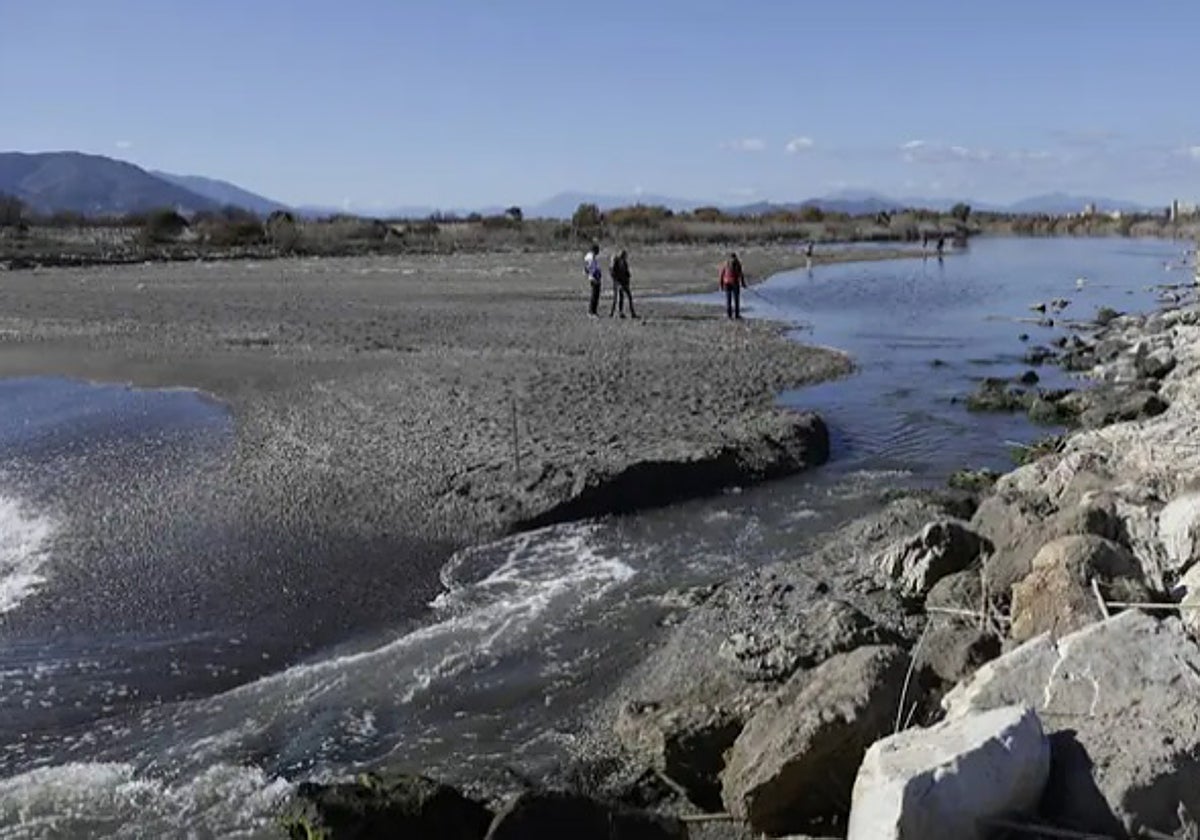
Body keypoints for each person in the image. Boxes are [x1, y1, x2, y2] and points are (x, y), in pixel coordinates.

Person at [609, 249, 638, 318]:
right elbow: (613, 273)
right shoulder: (615, 261)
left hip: (624, 282)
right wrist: (617, 281)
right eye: (624, 256)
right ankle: (615, 313)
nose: (625, 257)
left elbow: (626, 272)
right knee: (618, 298)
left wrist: (628, 276)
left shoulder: (624, 262)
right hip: (618, 283)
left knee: (628, 297)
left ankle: (632, 313)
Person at [719, 252, 746, 319]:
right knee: (736, 300)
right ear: (735, 257)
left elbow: (721, 274)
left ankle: (729, 315)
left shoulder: (725, 263)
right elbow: (741, 274)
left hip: (727, 283)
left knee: (728, 299)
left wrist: (721, 285)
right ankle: (737, 315)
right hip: (735, 282)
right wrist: (743, 284)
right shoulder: (737, 263)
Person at [584, 243, 602, 316]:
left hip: (595, 277)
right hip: (593, 278)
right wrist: (594, 276)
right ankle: (591, 311)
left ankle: (594, 311)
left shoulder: (591, 257)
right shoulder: (591, 257)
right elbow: (590, 268)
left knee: (596, 295)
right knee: (594, 295)